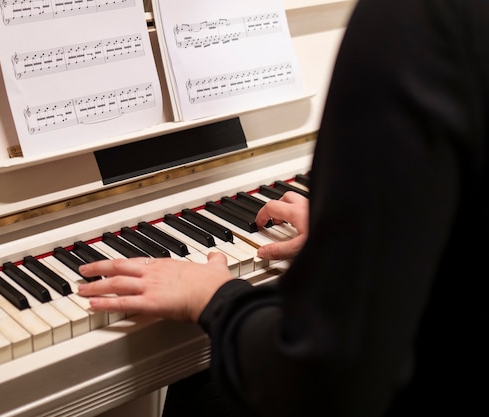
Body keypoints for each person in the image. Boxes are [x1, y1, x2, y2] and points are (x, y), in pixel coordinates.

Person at [77, 0, 489, 415]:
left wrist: (215, 297)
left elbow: (323, 383)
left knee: (202, 386)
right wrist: (364, 230)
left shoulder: (414, 21)